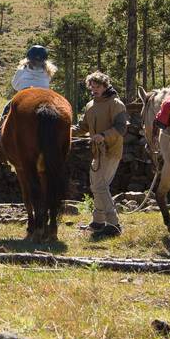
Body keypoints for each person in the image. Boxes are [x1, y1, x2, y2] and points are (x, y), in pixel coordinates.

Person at [72, 71, 129, 239]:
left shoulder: (116, 104)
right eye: (92, 86)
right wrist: (68, 131)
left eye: (97, 86)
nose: (94, 89)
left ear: (105, 86)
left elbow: (121, 128)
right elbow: (82, 127)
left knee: (100, 186)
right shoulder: (90, 105)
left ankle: (114, 225)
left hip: (111, 151)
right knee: (96, 185)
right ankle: (98, 222)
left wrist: (103, 135)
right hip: (97, 153)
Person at [0, 45, 57, 139]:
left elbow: (14, 84)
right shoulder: (47, 72)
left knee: (7, 108)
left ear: (29, 59)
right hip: (44, 95)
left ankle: (0, 132)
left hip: (25, 93)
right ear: (44, 60)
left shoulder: (21, 71)